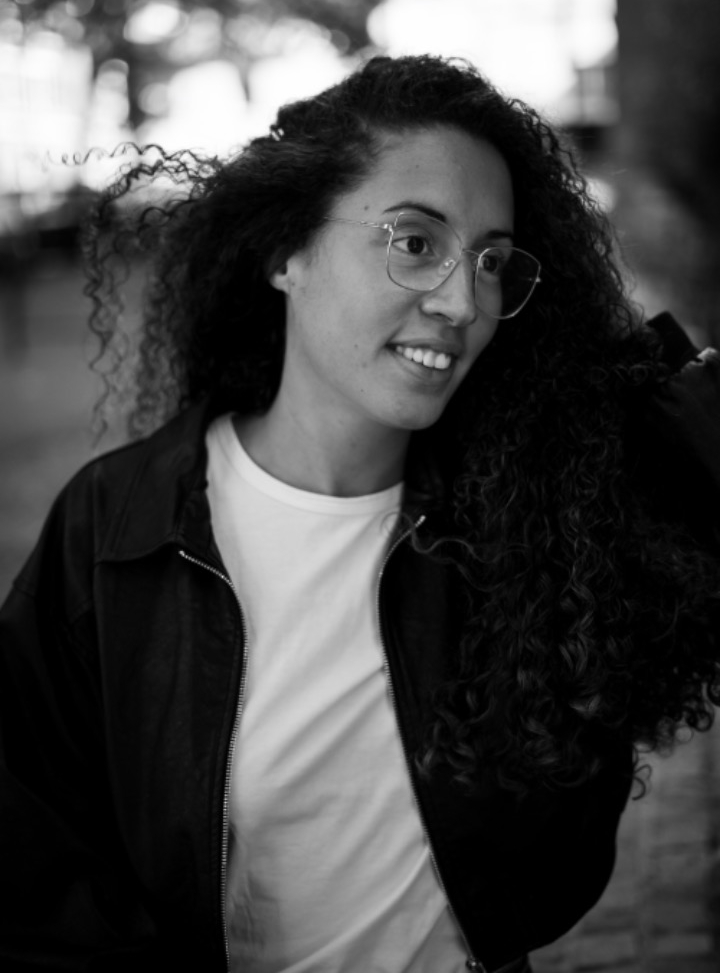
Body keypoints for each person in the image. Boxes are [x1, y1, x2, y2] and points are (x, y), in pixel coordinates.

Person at [1, 54, 719, 973]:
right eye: (414, 241)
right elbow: (32, 857)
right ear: (285, 253)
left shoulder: (533, 521)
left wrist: (665, 419)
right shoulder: (116, 527)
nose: (464, 301)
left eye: (493, 261)